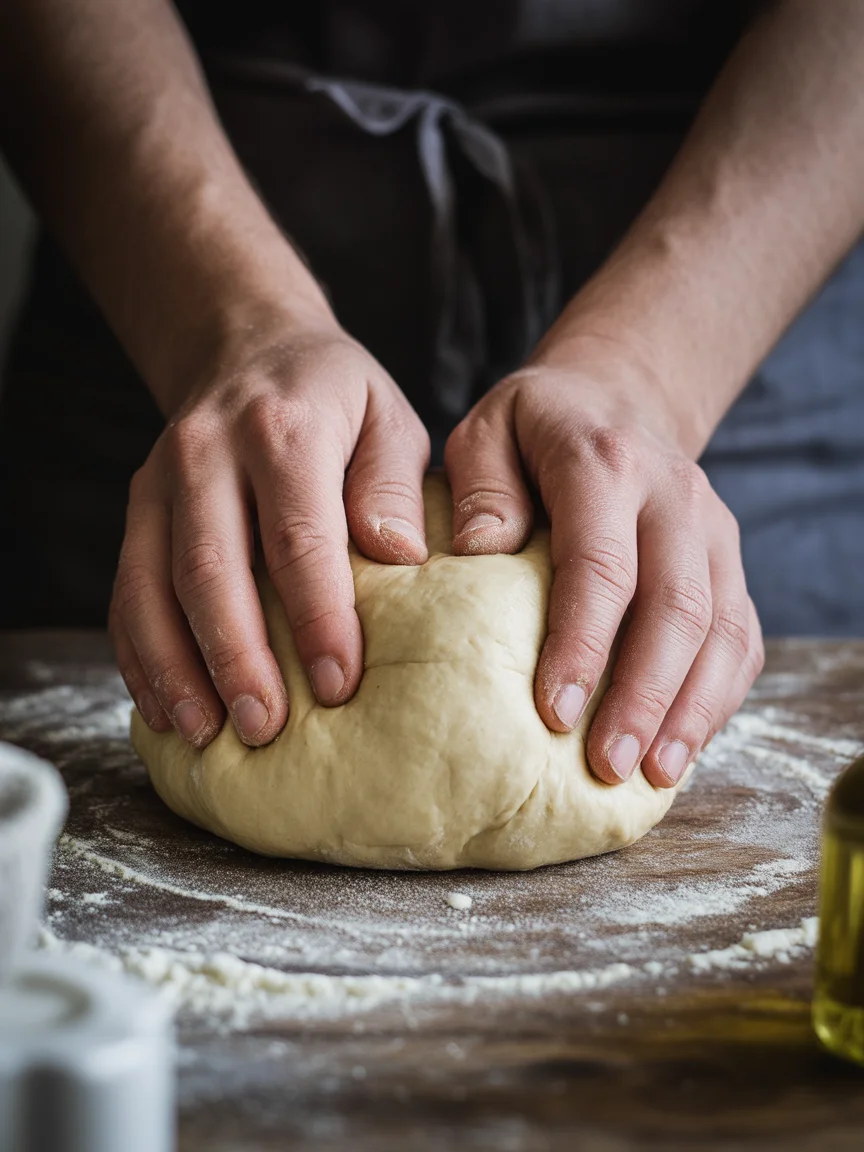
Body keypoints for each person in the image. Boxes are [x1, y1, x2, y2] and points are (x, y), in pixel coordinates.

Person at [1, 1, 862, 793]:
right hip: (159, 263)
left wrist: (645, 370)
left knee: (666, 672)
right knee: (176, 668)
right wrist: (229, 323)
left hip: (745, 280)